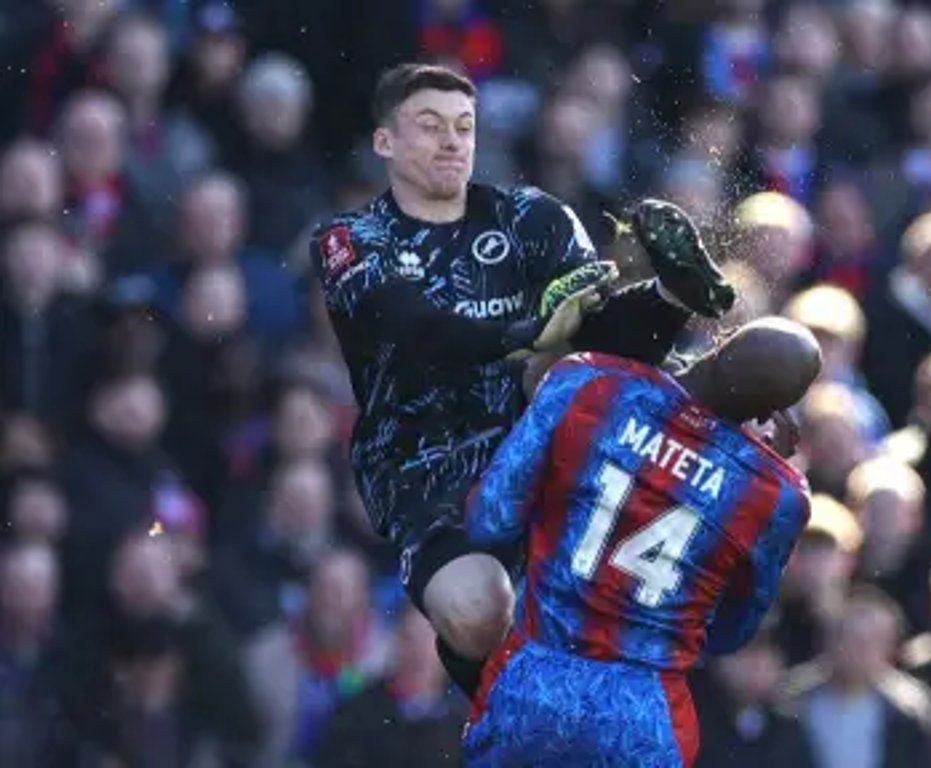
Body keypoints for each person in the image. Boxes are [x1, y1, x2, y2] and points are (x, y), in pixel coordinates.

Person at [311, 62, 736, 697]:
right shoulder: (350, 238)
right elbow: (412, 327)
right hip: (421, 470)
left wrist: (656, 307)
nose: (452, 141)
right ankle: (493, 693)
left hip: (539, 445)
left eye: (464, 127)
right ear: (384, 142)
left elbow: (593, 341)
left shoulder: (532, 218)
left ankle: (673, 295)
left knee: (582, 369)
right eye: (429, 127)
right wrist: (524, 332)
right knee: (480, 615)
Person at [460, 318, 822, 767]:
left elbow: (489, 520)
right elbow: (732, 633)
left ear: (722, 338)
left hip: (532, 682)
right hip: (645, 717)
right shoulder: (778, 494)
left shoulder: (588, 380)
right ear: (772, 415)